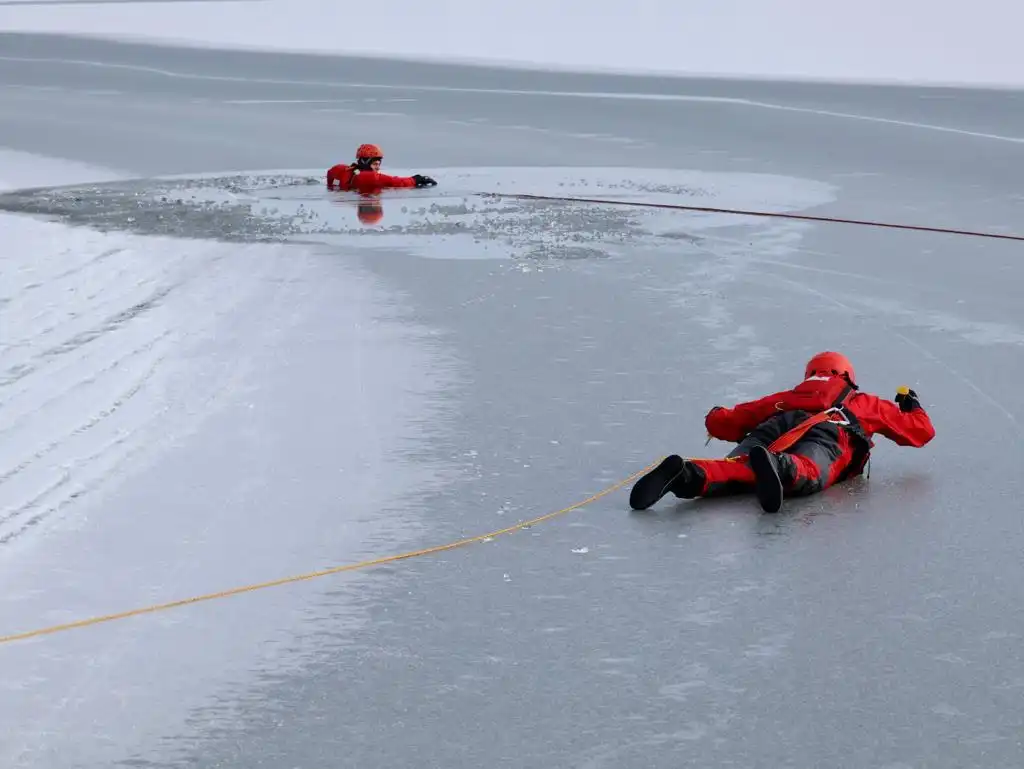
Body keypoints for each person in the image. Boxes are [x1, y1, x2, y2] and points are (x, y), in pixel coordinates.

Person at [628, 351, 936, 514]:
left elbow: (725, 422)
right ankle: (778, 467)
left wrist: (717, 413)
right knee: (811, 469)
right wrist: (912, 406)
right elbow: (921, 432)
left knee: (737, 468)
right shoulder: (861, 401)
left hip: (774, 424)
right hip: (829, 430)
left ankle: (685, 474)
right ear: (847, 377)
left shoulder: (787, 397)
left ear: (810, 374)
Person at [326, 143, 437, 192]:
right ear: (365, 162)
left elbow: (330, 173)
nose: (377, 168)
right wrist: (415, 179)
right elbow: (394, 182)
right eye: (375, 164)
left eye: (378, 165)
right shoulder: (369, 177)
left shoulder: (346, 170)